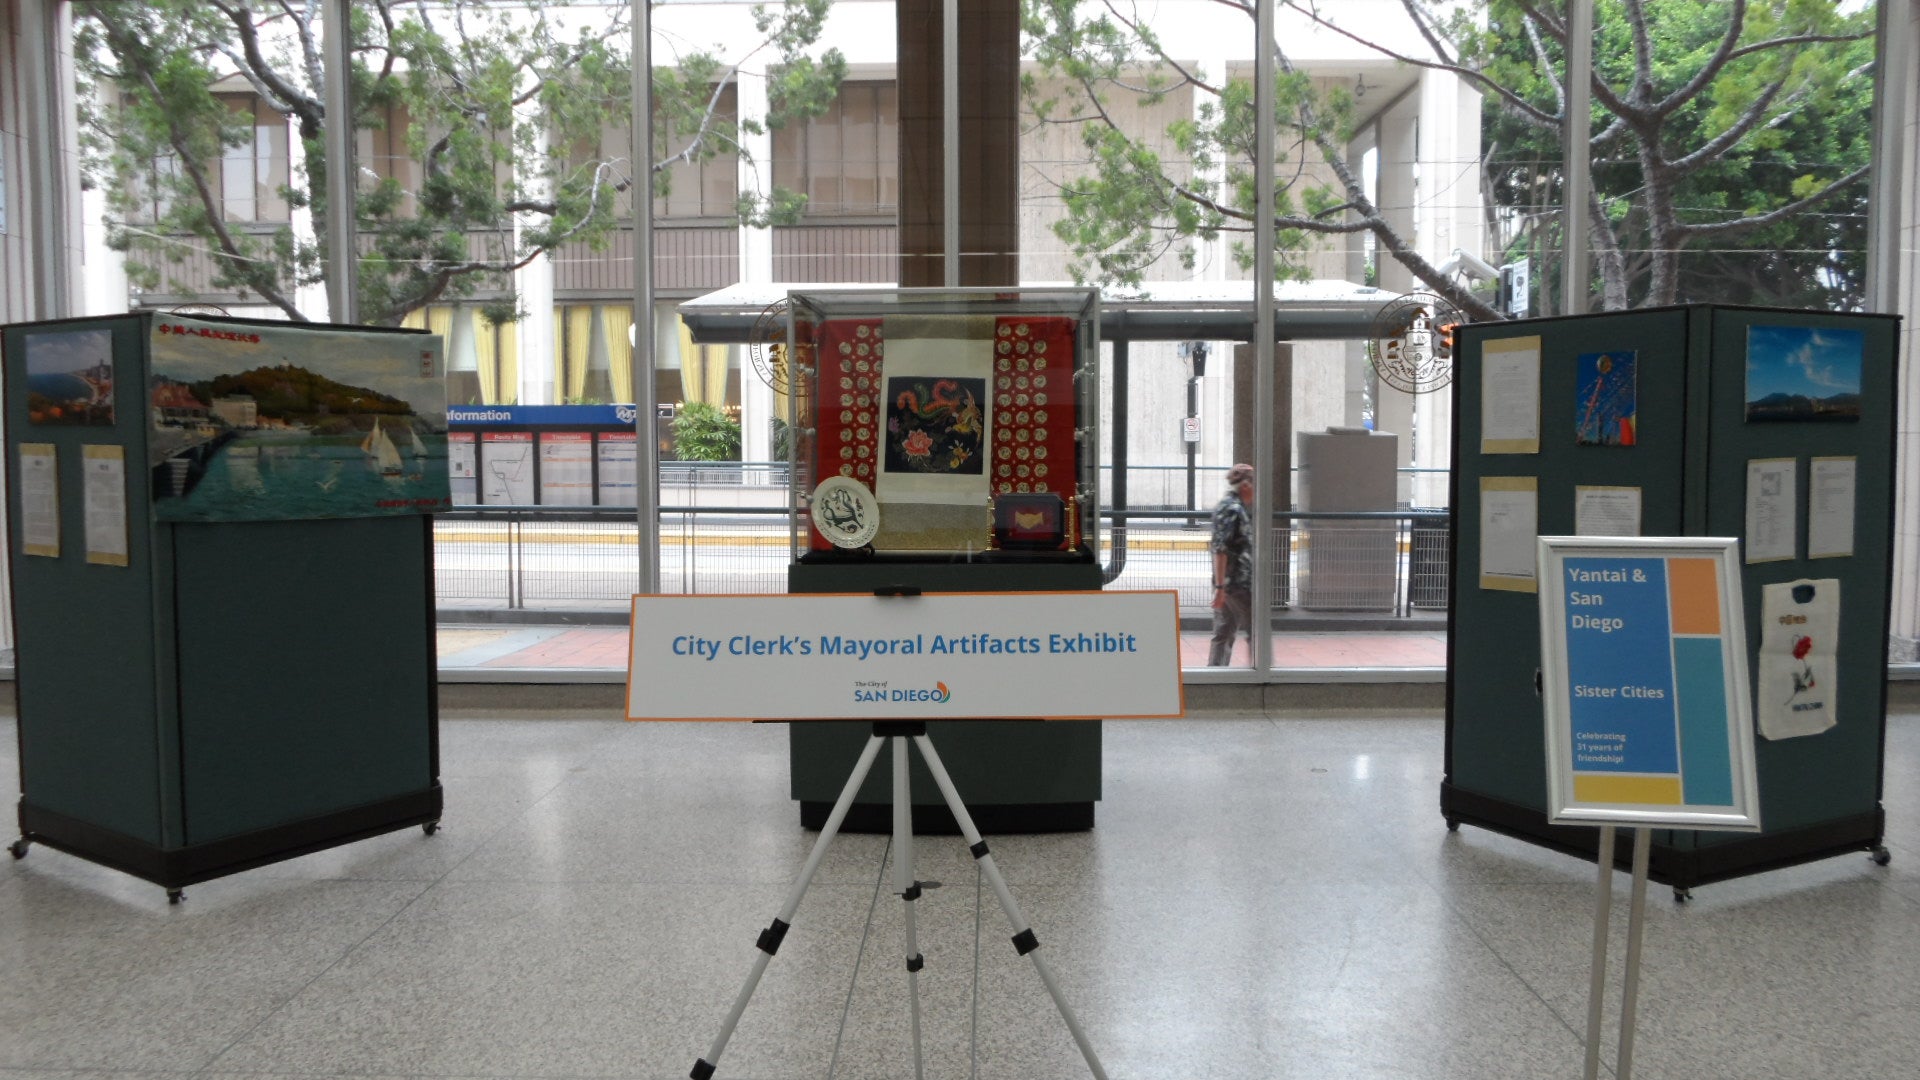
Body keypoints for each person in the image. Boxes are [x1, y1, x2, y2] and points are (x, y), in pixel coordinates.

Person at [1209, 463, 1255, 666]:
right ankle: (1262, 674)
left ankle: (1215, 677)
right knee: (1258, 630)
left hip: (1228, 583)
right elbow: (1221, 549)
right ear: (1246, 486)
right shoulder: (1233, 509)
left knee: (1224, 631)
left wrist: (1220, 586)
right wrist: (1220, 588)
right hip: (1238, 584)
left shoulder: (1228, 505)